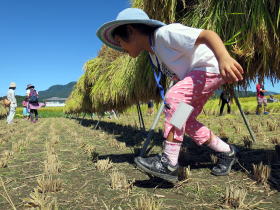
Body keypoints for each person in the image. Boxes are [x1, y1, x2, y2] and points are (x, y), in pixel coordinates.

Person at [97, 8, 244, 182]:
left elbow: (207, 34)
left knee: (174, 98)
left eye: (120, 42)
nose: (121, 48)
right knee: (184, 121)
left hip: (207, 69)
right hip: (197, 76)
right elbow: (178, 71)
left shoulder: (165, 34)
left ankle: (168, 162)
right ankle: (227, 152)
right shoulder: (154, 52)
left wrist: (223, 58)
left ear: (130, 31)